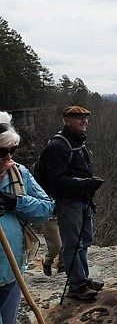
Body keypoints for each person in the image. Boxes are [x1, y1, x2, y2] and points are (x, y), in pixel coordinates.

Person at [41, 106, 105, 301]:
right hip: (68, 202)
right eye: (78, 118)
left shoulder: (77, 142)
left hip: (82, 200)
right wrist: (84, 183)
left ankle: (83, 279)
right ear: (66, 120)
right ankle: (76, 286)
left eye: (85, 118)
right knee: (72, 244)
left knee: (83, 241)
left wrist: (86, 183)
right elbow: (54, 181)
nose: (84, 121)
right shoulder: (58, 146)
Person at [0, 111, 54, 324]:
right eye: (3, 151)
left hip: (13, 274)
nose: (8, 157)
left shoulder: (19, 174)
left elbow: (46, 209)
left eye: (12, 150)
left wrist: (16, 202)